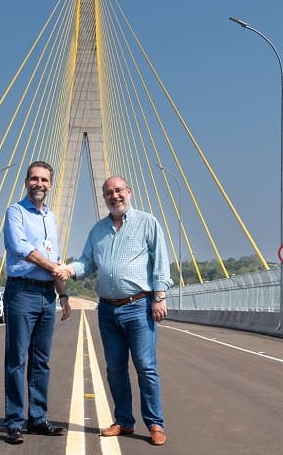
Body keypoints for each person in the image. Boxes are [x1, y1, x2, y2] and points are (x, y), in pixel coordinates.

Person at [63, 175, 173, 446]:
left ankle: (155, 424)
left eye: (119, 190)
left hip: (139, 306)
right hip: (107, 310)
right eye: (108, 193)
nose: (114, 196)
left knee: (146, 367)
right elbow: (87, 262)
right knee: (114, 369)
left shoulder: (148, 223)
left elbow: (160, 260)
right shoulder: (98, 230)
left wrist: (159, 296)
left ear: (129, 191)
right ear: (104, 198)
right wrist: (68, 269)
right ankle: (123, 420)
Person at [1, 160, 72, 445]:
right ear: (26, 181)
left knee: (41, 361)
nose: (39, 184)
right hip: (21, 292)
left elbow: (53, 260)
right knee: (17, 360)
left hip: (46, 295)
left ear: (51, 185)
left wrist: (63, 293)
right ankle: (15, 422)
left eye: (44, 180)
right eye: (34, 179)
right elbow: (20, 247)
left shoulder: (51, 218)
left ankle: (38, 418)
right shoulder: (15, 211)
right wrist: (53, 268)